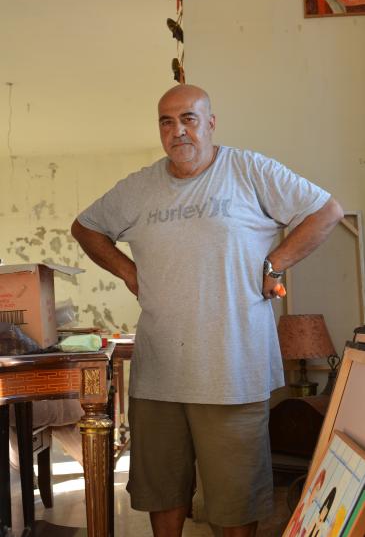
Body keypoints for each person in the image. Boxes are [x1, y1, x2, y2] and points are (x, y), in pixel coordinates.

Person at [71, 84, 344, 537]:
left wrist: (274, 263)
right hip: (159, 371)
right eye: (166, 121)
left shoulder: (250, 169)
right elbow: (86, 228)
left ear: (210, 123)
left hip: (233, 371)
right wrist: (128, 272)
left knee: (235, 504)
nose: (177, 131)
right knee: (163, 494)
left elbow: (327, 211)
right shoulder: (139, 187)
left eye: (188, 119)